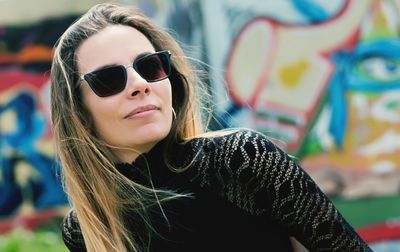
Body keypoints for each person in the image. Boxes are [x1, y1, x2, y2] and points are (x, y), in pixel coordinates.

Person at [50, 3, 372, 252]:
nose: (139, 85)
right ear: (78, 110)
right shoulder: (85, 229)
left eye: (150, 66)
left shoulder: (240, 160)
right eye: (109, 79)